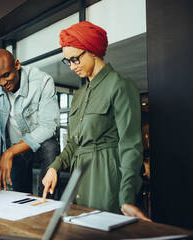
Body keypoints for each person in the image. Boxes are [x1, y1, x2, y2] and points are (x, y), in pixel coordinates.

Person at [41, 21, 150, 221]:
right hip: (78, 180)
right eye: (68, 61)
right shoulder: (79, 94)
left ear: (92, 51)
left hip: (106, 180)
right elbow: (74, 142)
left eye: (75, 59)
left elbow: (130, 145)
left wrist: (126, 196)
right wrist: (54, 167)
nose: (72, 66)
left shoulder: (120, 85)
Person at [0, 49, 60, 195]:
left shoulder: (42, 81)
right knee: (18, 195)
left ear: (17, 65)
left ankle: (48, 202)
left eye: (6, 75)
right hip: (16, 147)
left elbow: (49, 126)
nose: (3, 82)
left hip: (41, 145)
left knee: (50, 147)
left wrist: (10, 152)